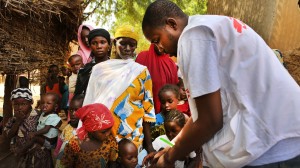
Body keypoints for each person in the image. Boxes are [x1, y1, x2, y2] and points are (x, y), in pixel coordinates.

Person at [142, 0, 300, 167]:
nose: (159, 48)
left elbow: (209, 121)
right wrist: (171, 148)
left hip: (268, 152)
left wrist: (169, 159)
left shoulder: (193, 36)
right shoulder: (211, 25)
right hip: (283, 141)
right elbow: (203, 112)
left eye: (157, 39)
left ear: (172, 24)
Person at [83, 25, 156, 153]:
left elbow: (148, 110)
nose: (127, 49)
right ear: (114, 43)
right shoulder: (100, 70)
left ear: (136, 46)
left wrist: (149, 146)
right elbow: (91, 102)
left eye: (132, 45)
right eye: (123, 43)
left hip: (133, 138)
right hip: (104, 136)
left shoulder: (142, 72)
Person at [3, 88, 53, 167]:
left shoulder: (39, 115)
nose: (19, 107)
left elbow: (49, 133)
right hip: (21, 156)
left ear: (31, 102)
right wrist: (17, 122)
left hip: (39, 155)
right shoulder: (13, 119)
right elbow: (8, 135)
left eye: (23, 104)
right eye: (16, 105)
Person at [61, 103, 118, 168]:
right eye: (103, 132)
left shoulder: (110, 141)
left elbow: (112, 162)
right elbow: (67, 164)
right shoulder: (75, 144)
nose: (108, 134)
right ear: (90, 130)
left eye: (109, 129)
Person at [136, 44, 178, 114]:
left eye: (163, 42)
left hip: (164, 112)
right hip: (141, 109)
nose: (161, 46)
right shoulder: (142, 57)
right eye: (157, 42)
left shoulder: (171, 63)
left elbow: (173, 90)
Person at [74, 28, 111, 96]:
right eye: (94, 43)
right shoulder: (84, 71)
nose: (99, 46)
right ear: (90, 47)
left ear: (109, 46)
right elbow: (78, 95)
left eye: (102, 42)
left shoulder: (115, 68)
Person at [55, 94, 84, 168]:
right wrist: (57, 153)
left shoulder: (85, 131)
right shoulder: (67, 127)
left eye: (77, 110)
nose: (73, 114)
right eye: (71, 110)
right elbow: (60, 141)